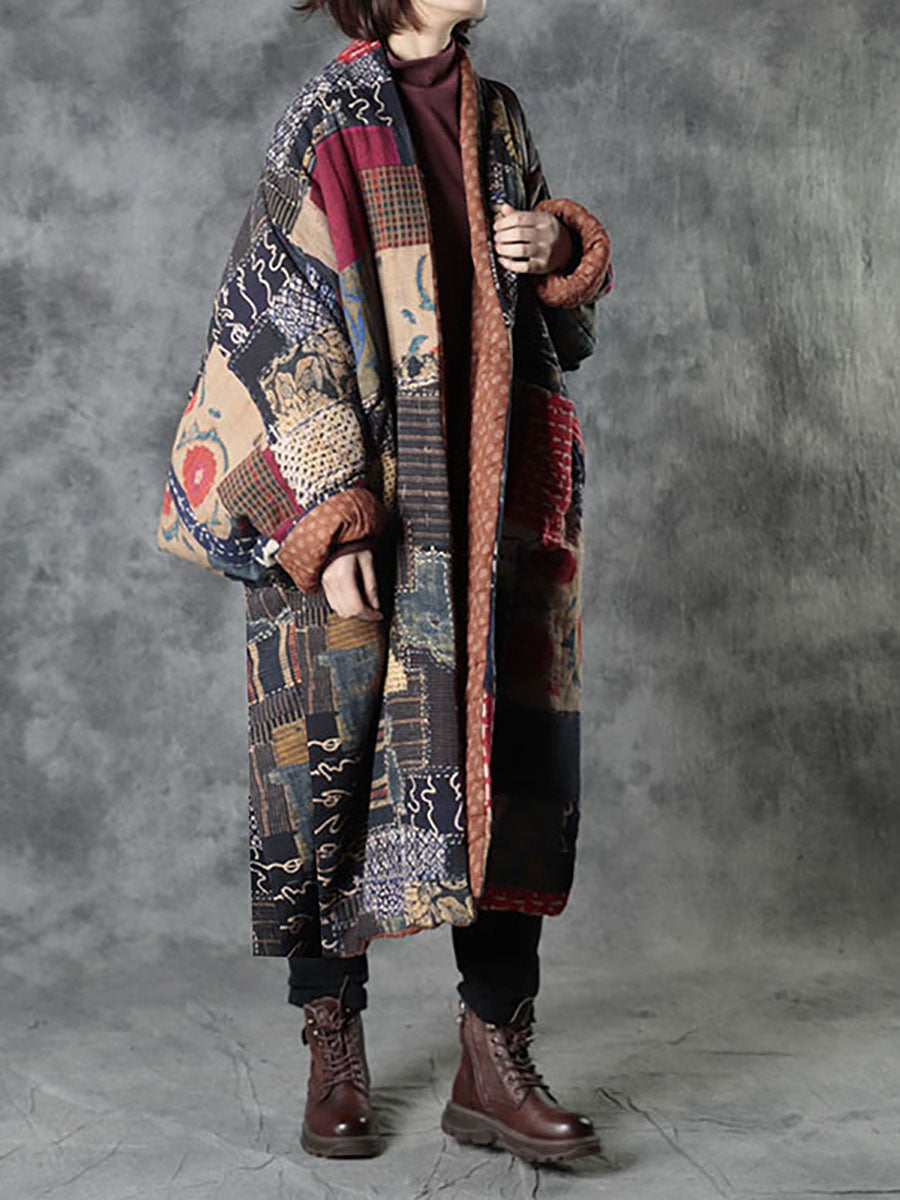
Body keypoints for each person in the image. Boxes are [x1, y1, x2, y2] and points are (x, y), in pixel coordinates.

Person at [157, 0, 613, 1167]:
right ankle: (332, 1043)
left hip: (490, 489)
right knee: (335, 753)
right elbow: (272, 316)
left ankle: (492, 1056)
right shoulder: (328, 117)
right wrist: (328, 514)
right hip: (372, 499)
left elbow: (553, 319)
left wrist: (557, 249)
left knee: (507, 760)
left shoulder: (498, 115)